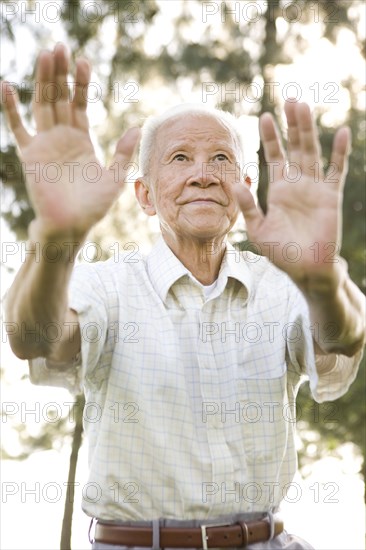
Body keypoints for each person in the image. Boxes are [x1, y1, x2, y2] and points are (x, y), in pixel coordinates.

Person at [3, 43, 365, 550]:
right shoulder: (106, 285)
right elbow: (35, 337)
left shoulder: (283, 284)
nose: (203, 173)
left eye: (220, 158)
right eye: (180, 158)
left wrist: (324, 278)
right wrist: (56, 241)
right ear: (145, 195)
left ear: (243, 187)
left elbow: (340, 339)